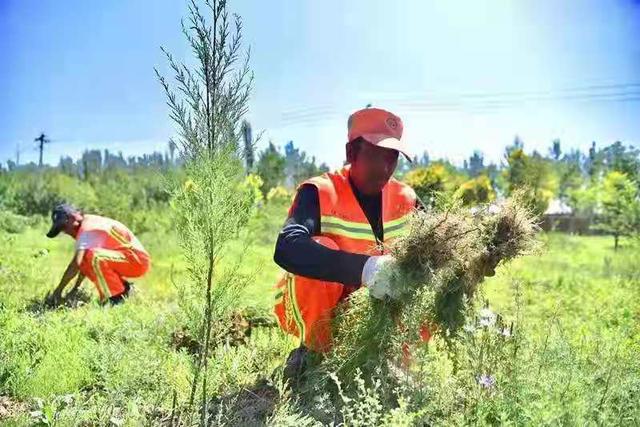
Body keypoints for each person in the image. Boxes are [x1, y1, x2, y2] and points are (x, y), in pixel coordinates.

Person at [273, 107, 425, 377]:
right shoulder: (320, 191)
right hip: (327, 310)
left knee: (429, 275)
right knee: (321, 248)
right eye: (377, 155)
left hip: (377, 311)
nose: (386, 167)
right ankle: (315, 357)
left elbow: (438, 247)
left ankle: (397, 363)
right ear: (351, 153)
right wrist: (367, 270)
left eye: (393, 157)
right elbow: (287, 248)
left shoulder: (406, 198)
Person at [45, 204, 150, 306]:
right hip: (127, 258)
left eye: (64, 227)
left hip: (136, 259)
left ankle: (116, 297)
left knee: (94, 256)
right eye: (61, 230)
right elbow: (83, 264)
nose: (65, 232)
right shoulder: (88, 221)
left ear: (73, 217)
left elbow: (75, 264)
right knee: (88, 257)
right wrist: (75, 288)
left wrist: (58, 291)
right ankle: (123, 288)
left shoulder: (87, 230)